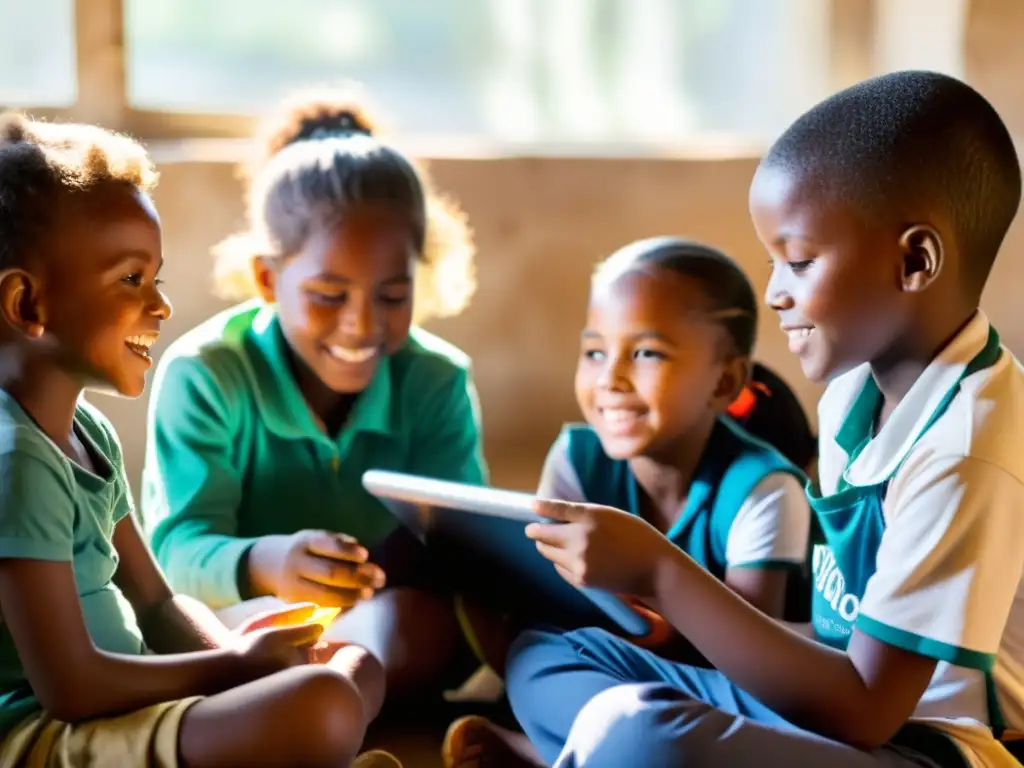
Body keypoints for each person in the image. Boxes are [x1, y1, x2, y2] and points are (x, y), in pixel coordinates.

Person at [471, 70, 1024, 767]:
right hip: (837, 710)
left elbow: (866, 707)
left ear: (914, 260)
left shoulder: (966, 447)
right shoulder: (859, 395)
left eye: (797, 262)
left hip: (930, 748)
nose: (775, 294)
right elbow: (839, 637)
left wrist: (665, 573)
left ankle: (578, 753)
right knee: (554, 654)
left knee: (640, 736)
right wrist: (675, 631)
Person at [0, 113, 400, 767]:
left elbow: (155, 602)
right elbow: (69, 686)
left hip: (128, 691)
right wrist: (232, 670)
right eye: (132, 279)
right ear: (28, 305)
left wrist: (234, 657)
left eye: (155, 279)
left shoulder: (86, 432)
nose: (160, 306)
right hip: (52, 733)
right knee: (321, 704)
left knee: (351, 666)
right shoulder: (16, 459)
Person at [140, 90, 486, 709]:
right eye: (329, 295)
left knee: (418, 629)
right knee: (195, 634)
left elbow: (468, 547)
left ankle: (322, 704)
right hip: (242, 626)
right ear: (269, 278)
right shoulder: (206, 374)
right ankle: (328, 703)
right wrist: (265, 561)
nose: (361, 326)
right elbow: (172, 554)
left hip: (383, 629)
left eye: (392, 295)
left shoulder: (437, 380)